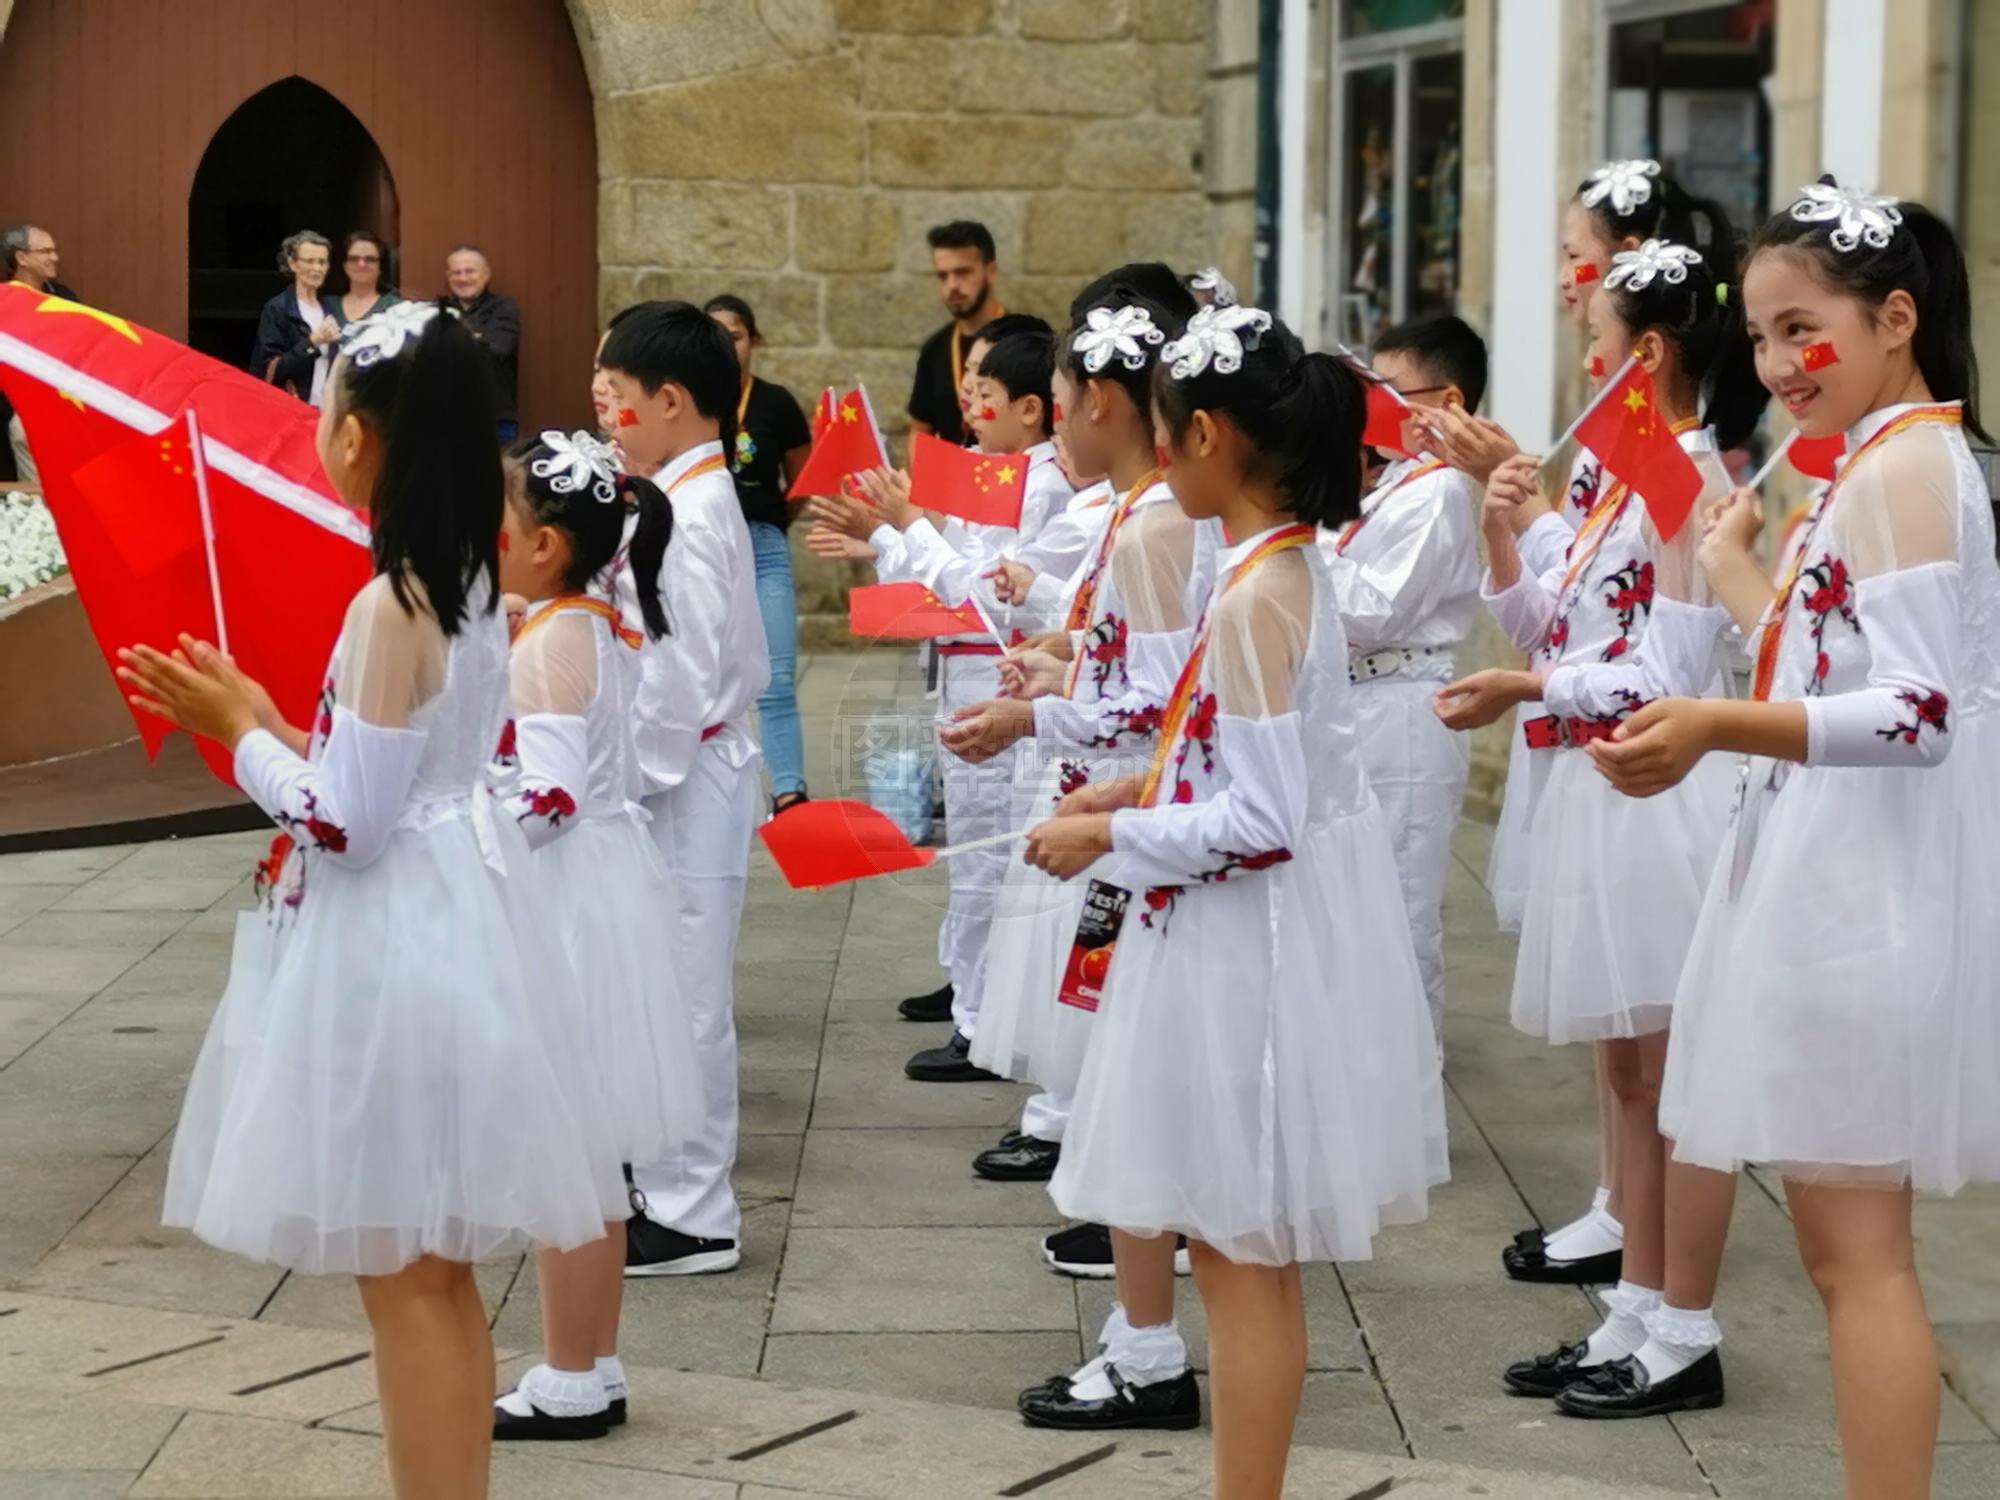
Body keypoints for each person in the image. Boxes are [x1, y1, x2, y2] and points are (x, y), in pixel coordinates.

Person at [119, 301, 621, 1500]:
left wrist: (238, 735)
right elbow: (388, 774)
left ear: (365, 439)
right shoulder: (461, 582)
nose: (321, 428)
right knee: (426, 1275)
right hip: (448, 916)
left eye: (331, 406)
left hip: (402, 936)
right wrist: (273, 718)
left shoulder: (389, 600)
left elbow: (347, 824)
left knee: (407, 1279)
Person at [1590, 184, 2000, 1497]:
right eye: (1760, 335)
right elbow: (1839, 665)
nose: (1774, 364)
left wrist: (1714, 720)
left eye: (1800, 330)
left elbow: (1923, 712)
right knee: (1846, 1254)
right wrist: (1740, 585)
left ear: (1896, 318)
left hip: (1861, 886)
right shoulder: (1883, 460)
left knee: (1858, 1259)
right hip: (1830, 869)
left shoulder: (1907, 467)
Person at [1026, 305, 1446, 1498]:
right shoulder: (1269, 569)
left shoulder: (1263, 592)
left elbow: (1260, 822)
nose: (1159, 459)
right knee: (1233, 1249)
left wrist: (1107, 830)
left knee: (1239, 1253)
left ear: (1205, 435)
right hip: (1223, 937)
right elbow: (1249, 766)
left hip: (1242, 954)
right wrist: (1131, 783)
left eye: (1165, 435)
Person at [1438, 230, 1766, 1419]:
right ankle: (1633, 1307)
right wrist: (1496, 524)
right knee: (1626, 1068)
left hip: (1659, 798)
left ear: (1652, 350)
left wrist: (1529, 691)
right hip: (1600, 790)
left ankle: (1683, 1325)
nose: (1586, 352)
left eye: (1598, 335)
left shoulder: (1681, 481)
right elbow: (1546, 631)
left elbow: (1661, 677)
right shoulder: (1611, 477)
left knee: (1675, 1072)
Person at [489, 431, 707, 1441]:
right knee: (591, 1152)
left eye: (504, 520)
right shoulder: (586, 622)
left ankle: (573, 1372)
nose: (489, 534)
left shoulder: (551, 645)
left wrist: (471, 829)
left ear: (544, 546)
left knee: (567, 1154)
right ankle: (594, 1358)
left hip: (569, 899)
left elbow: (552, 797)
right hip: (606, 888)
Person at [807, 317, 1079, 1065]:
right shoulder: (987, 469)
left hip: (999, 669)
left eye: (984, 390)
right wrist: (887, 536)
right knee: (969, 843)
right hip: (960, 665)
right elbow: (942, 569)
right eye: (968, 388)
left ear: (1033, 407)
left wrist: (906, 529)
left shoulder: (1045, 482)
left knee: (991, 848)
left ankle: (982, 1017)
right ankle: (969, 985)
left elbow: (992, 592)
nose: (969, 404)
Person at [597, 302, 770, 1279]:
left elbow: (680, 675)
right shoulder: (677, 492)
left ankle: (695, 1208)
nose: (604, 415)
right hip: (676, 760)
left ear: (671, 400)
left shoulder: (694, 511)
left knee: (687, 988)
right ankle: (658, 1173)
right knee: (660, 980)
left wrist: (620, 777)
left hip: (683, 768)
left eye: (613, 399)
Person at [1326, 315, 1486, 1041]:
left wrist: (1300, 550)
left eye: (1394, 393)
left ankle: (1410, 1075)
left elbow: (1375, 610)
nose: (1378, 410)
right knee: (1358, 898)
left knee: (1399, 904)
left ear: (1446, 402)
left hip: (1404, 703)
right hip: (1364, 700)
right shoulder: (1398, 482)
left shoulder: (1442, 490)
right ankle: (1366, 1068)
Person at [704, 294, 814, 813]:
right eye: (715, 334)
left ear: (754, 341)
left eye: (737, 334)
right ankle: (717, 790)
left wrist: (767, 523)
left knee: (775, 674)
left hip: (764, 545)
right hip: (706, 547)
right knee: (706, 674)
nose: (728, 345)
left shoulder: (776, 403)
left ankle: (789, 789)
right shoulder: (695, 400)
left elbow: (802, 483)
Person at [907, 220, 1004, 445]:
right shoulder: (934, 349)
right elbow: (919, 432)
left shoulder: (1025, 340)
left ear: (990, 271)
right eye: (943, 276)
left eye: (962, 273)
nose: (952, 286)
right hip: (948, 476)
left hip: (1010, 475)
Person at [1, 221, 77, 487]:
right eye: (45, 251)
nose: (54, 258)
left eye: (53, 250)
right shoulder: (4, 302)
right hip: (21, 410)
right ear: (21, 258)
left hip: (66, 405)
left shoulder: (64, 297)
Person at [251, 230, 341, 405]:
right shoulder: (277, 309)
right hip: (293, 411)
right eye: (309, 261)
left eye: (322, 262)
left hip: (327, 414)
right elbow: (270, 371)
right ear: (292, 264)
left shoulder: (332, 309)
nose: (317, 268)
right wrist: (313, 342)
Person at [446, 245, 522, 442]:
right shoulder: (438, 310)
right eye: (456, 272)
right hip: (447, 416)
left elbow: (497, 350)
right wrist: (477, 337)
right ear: (448, 277)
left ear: (486, 274)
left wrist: (449, 341)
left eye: (470, 271)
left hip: (495, 419)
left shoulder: (504, 307)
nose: (463, 278)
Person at [338, 232, 398, 332]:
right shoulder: (326, 305)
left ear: (381, 267)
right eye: (354, 258)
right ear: (345, 265)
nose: (361, 264)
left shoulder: (394, 306)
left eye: (370, 259)